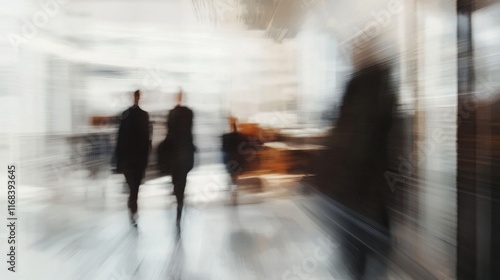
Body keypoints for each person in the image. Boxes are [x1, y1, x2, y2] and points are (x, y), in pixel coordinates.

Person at [115, 89, 151, 227]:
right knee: (135, 186)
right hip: (139, 159)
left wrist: (118, 160)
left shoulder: (126, 115)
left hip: (128, 159)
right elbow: (147, 139)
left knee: (132, 186)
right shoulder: (144, 115)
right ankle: (133, 206)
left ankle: (132, 206)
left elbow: (120, 138)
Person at [165, 90, 195, 228]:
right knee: (182, 180)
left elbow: (169, 132)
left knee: (176, 180)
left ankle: (179, 199)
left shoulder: (172, 114)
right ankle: (180, 202)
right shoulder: (188, 114)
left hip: (173, 154)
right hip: (185, 153)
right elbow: (189, 132)